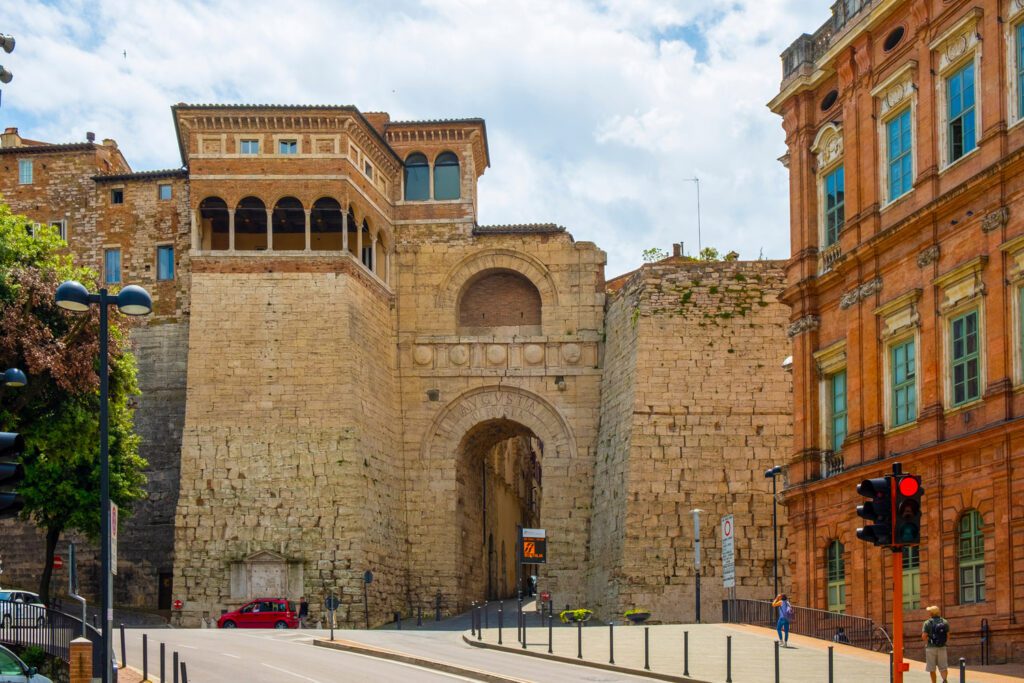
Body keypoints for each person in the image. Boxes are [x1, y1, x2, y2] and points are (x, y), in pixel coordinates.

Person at [922, 605, 950, 683]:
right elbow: (948, 636)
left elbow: (924, 636)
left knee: (932, 668)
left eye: (929, 611)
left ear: (931, 613)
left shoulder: (927, 623)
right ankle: (944, 680)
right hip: (942, 647)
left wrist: (930, 640)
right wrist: (941, 642)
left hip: (931, 648)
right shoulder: (944, 622)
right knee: (943, 667)